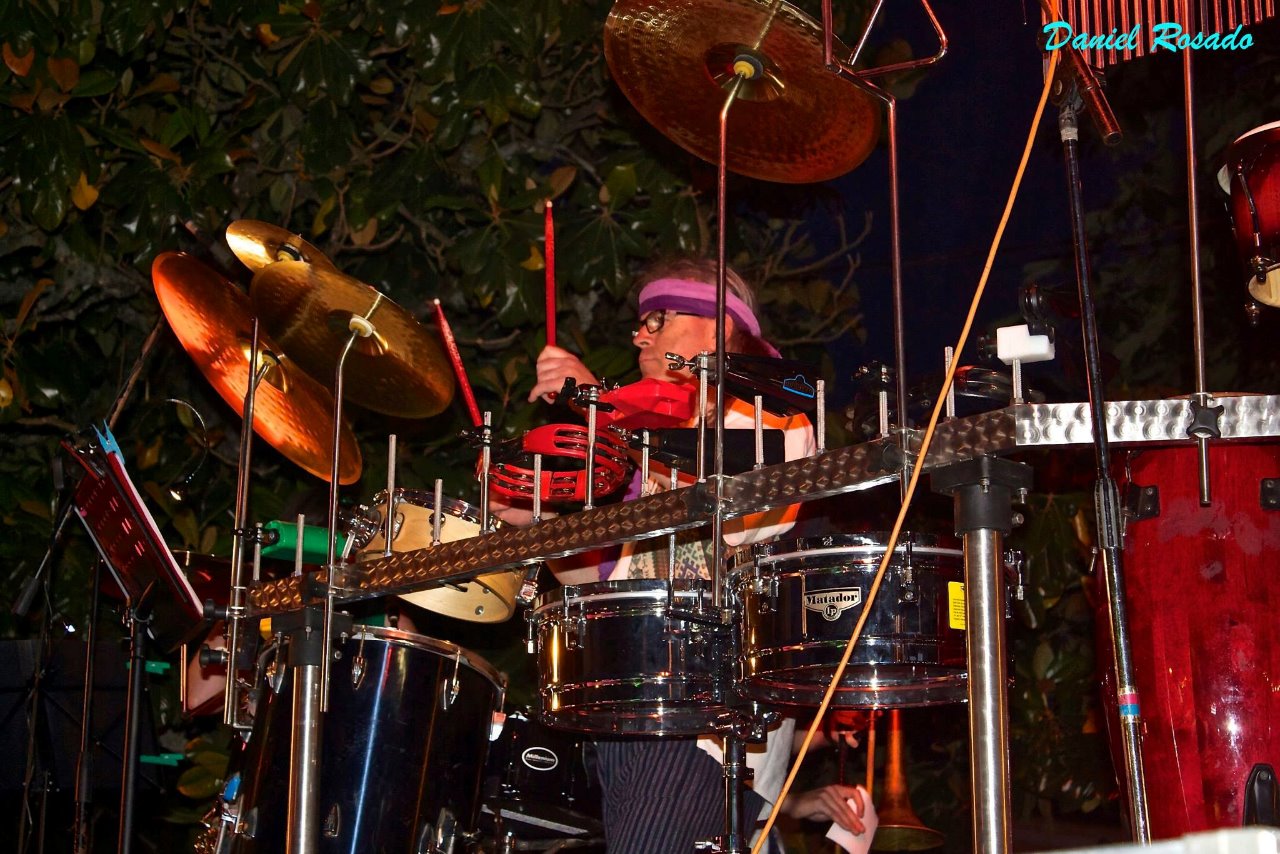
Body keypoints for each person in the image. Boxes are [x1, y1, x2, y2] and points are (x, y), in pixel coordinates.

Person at [495, 258, 868, 851]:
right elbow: (600, 585)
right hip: (632, 708)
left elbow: (724, 503)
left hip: (703, 722)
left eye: (658, 319)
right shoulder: (651, 443)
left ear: (720, 327)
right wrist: (536, 518)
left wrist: (600, 406)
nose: (639, 335)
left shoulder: (769, 410)